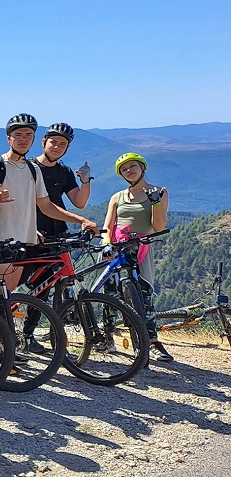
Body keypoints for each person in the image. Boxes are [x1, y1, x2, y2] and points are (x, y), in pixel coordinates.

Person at [0, 114, 98, 360]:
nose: (23, 139)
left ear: (33, 139)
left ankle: (7, 348)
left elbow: (46, 206)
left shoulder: (32, 169)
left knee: (7, 299)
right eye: (18, 135)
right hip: (0, 239)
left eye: (27, 135)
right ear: (9, 137)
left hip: (24, 241)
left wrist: (80, 220)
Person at [102, 152, 171, 362]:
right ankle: (107, 337)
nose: (129, 171)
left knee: (144, 295)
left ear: (142, 168)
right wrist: (106, 244)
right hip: (117, 248)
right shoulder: (118, 197)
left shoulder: (159, 192)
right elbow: (108, 226)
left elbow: (158, 227)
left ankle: (151, 341)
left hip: (141, 248)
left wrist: (156, 203)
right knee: (111, 295)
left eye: (132, 166)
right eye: (124, 169)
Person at [34, 122, 92, 239]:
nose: (57, 147)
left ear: (67, 147)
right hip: (33, 234)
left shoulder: (64, 171)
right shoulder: (29, 168)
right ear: (44, 142)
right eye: (53, 142)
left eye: (62, 144)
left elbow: (79, 202)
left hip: (59, 234)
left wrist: (85, 181)